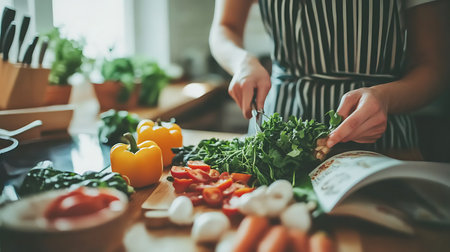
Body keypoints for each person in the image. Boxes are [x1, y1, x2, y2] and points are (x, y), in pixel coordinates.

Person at [209, 0, 449, 150]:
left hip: (383, 141)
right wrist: (241, 61)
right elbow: (225, 27)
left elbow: (434, 67)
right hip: (277, 136)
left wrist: (385, 98)